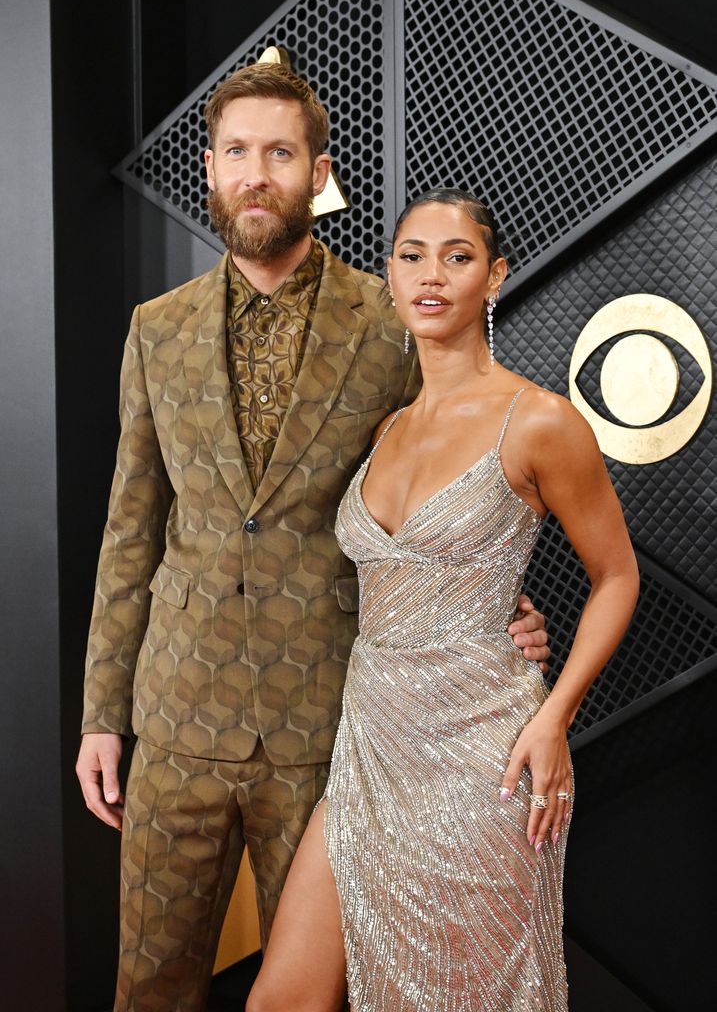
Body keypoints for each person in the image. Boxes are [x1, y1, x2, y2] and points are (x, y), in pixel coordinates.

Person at [75, 69, 550, 1012]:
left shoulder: (389, 317)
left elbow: (456, 467)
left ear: (317, 174)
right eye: (239, 154)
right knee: (148, 989)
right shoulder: (154, 331)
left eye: (280, 155)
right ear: (211, 169)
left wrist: (500, 600)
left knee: (320, 994)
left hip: (331, 725)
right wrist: (102, 712)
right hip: (175, 720)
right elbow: (131, 526)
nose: (257, 175)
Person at [248, 188, 640, 1012]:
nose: (431, 275)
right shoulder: (386, 428)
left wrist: (553, 718)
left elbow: (616, 576)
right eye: (411, 256)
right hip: (368, 753)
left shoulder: (538, 422)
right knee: (280, 999)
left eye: (456, 257)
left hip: (482, 760)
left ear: (493, 277)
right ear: (389, 276)